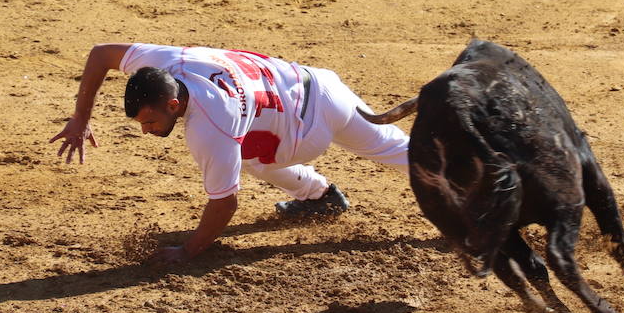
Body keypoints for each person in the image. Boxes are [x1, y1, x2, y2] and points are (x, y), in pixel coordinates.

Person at [50, 43, 409, 264]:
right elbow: (101, 55)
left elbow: (224, 204)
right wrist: (81, 118)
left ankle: (314, 193)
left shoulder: (209, 127)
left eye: (150, 120)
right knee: (398, 149)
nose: (145, 130)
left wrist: (189, 250)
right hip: (321, 85)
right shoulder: (164, 61)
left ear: (174, 105)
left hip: (306, 131)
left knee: (246, 157)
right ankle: (463, 185)